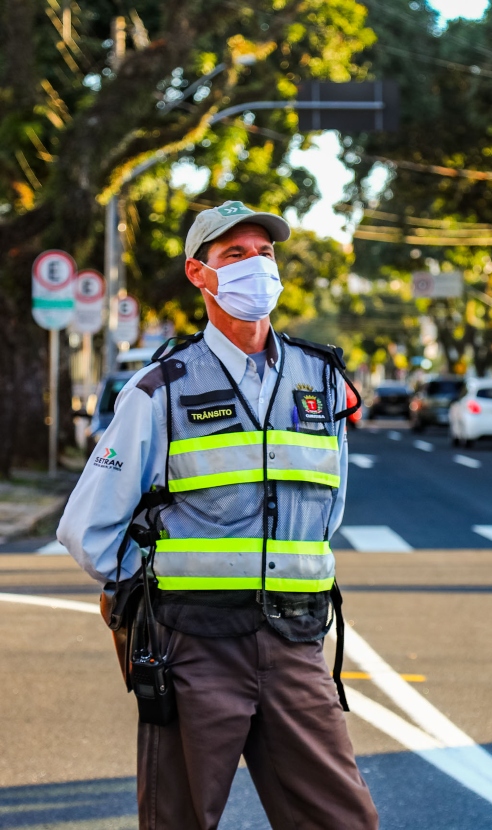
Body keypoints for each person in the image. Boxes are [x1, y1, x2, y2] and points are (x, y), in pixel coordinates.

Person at [58, 201, 379, 829]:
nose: (256, 267)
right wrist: (145, 596)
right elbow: (87, 528)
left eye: (264, 254)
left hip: (295, 641)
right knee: (179, 820)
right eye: (235, 255)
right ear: (199, 274)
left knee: (343, 821)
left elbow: (326, 513)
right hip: (192, 643)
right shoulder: (161, 388)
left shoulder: (320, 381)